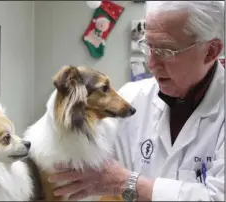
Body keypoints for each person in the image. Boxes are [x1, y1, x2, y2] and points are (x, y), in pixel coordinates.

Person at [47, 1, 225, 201]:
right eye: (148, 47)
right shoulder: (133, 97)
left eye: (166, 51)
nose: (151, 64)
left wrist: (126, 182)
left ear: (211, 51)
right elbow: (84, 164)